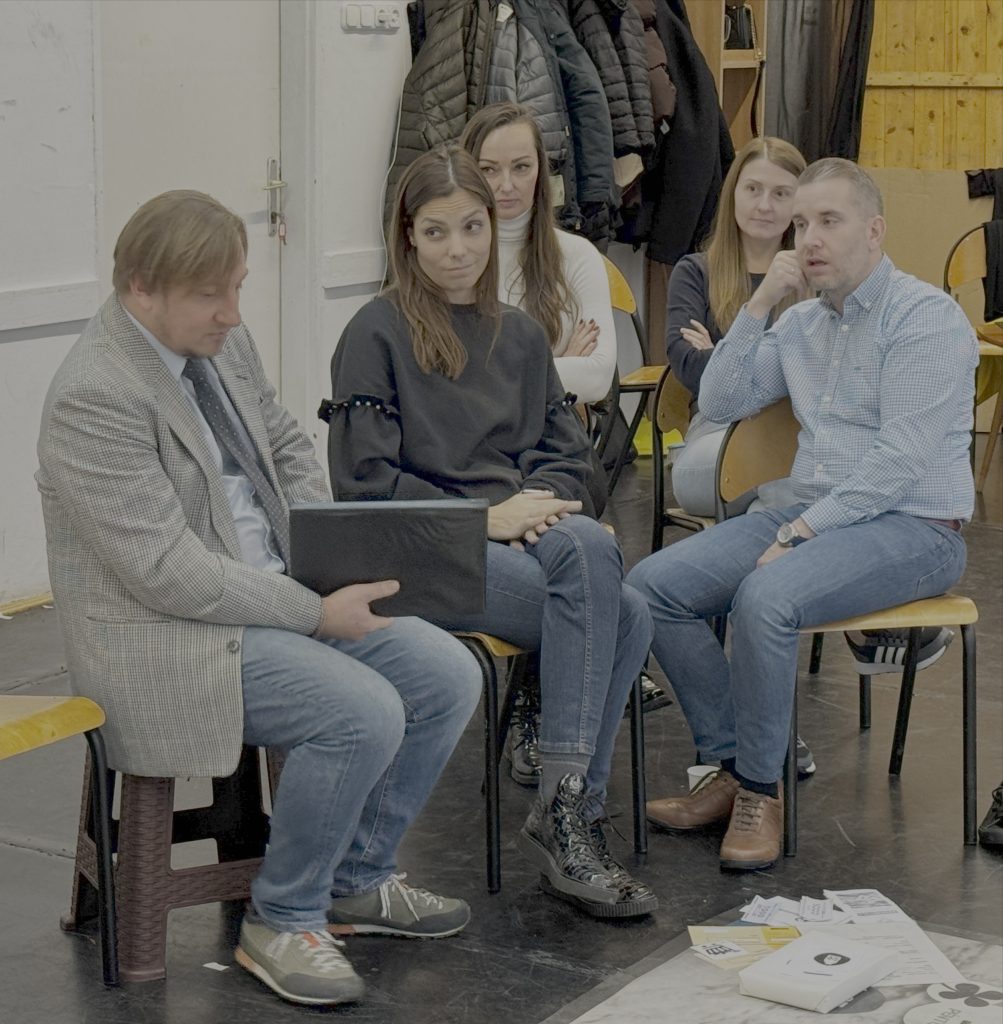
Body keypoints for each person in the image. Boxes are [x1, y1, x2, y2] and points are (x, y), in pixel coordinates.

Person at [36, 191, 482, 1007]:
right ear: (141, 288)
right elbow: (167, 571)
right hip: (166, 636)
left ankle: (355, 877)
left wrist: (328, 554)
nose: (233, 314)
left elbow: (281, 439)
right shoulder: (93, 395)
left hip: (270, 594)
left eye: (238, 288)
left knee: (447, 673)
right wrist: (312, 611)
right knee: (360, 711)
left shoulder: (216, 342)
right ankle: (282, 917)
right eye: (212, 295)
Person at [324, 145, 657, 919]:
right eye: (436, 232)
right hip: (420, 549)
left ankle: (565, 810)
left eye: (471, 228)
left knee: (596, 562)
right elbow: (364, 488)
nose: (457, 249)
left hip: (523, 543)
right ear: (407, 236)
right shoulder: (374, 332)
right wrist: (487, 518)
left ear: (491, 227)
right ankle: (571, 816)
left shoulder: (520, 336)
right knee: (623, 611)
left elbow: (571, 461)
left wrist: (533, 512)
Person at [626, 159, 978, 871]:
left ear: (873, 231)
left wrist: (799, 532)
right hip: (809, 510)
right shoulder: (801, 324)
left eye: (828, 221)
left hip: (914, 525)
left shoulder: (924, 317)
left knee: (765, 597)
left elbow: (899, 462)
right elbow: (720, 400)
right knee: (651, 588)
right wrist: (759, 305)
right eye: (800, 224)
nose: (808, 239)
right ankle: (732, 765)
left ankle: (762, 790)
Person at [460, 103, 665, 787]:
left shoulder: (574, 256)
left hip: (556, 455)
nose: (506, 185)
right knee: (564, 566)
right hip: (472, 466)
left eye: (521, 167)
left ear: (544, 175)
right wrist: (549, 365)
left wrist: (506, 368)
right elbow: (446, 386)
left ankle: (542, 713)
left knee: (560, 537)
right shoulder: (453, 255)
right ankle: (554, 710)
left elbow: (600, 376)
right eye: (489, 169)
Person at [664, 135, 807, 519]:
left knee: (781, 487)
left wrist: (722, 353)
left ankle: (765, 536)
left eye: (781, 193)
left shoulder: (815, 279)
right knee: (790, 479)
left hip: (795, 437)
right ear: (733, 194)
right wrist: (762, 308)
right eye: (753, 189)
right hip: (713, 438)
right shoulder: (694, 273)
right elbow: (690, 369)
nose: (765, 205)